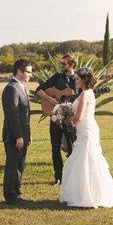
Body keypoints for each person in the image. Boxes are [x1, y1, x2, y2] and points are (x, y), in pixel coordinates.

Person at [60, 67, 113, 208]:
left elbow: (79, 116)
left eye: (78, 78)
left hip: (86, 131)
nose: (76, 80)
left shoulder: (86, 94)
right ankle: (82, 193)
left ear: (84, 80)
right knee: (82, 161)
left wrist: (65, 119)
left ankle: (88, 195)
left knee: (84, 161)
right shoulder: (87, 93)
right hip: (85, 130)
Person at [35, 53, 80, 185]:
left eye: (64, 63)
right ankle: (58, 177)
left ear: (72, 65)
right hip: (55, 118)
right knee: (55, 148)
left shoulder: (78, 79)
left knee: (73, 148)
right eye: (61, 63)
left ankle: (72, 176)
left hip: (71, 119)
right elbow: (39, 90)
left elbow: (82, 96)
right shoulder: (57, 77)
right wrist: (50, 99)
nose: (61, 65)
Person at [2, 59, 33, 205]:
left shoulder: (21, 87)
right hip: (14, 136)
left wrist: (28, 134)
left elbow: (24, 114)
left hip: (23, 135)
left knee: (19, 166)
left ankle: (17, 194)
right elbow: (12, 114)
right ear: (19, 72)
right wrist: (18, 136)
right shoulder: (11, 88)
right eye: (28, 72)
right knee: (12, 166)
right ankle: (10, 196)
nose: (30, 75)